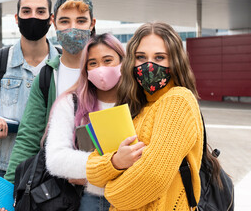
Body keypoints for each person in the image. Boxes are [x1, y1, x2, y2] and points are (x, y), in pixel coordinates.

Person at [86, 22, 205, 210]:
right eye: (141, 57)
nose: (149, 65)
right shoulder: (132, 107)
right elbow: (92, 169)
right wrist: (116, 162)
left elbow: (152, 178)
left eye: (159, 57)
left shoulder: (178, 100)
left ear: (174, 62)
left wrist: (111, 190)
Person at [4, 0, 96, 183]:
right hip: (57, 185)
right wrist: (8, 188)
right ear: (54, 24)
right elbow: (29, 137)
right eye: (64, 21)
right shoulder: (47, 76)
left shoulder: (107, 70)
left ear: (92, 24)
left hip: (101, 182)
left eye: (81, 21)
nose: (72, 28)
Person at [0, 0, 59, 178]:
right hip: (5, 170)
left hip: (54, 172)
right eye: (26, 11)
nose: (33, 17)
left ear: (51, 19)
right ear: (17, 17)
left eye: (40, 12)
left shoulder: (64, 63)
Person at [44, 33, 132, 211]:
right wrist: (113, 163)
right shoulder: (70, 103)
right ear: (85, 68)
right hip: (91, 200)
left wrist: (87, 171)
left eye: (108, 60)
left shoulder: (139, 101)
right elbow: (55, 158)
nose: (101, 69)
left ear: (123, 62)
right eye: (93, 63)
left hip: (134, 198)